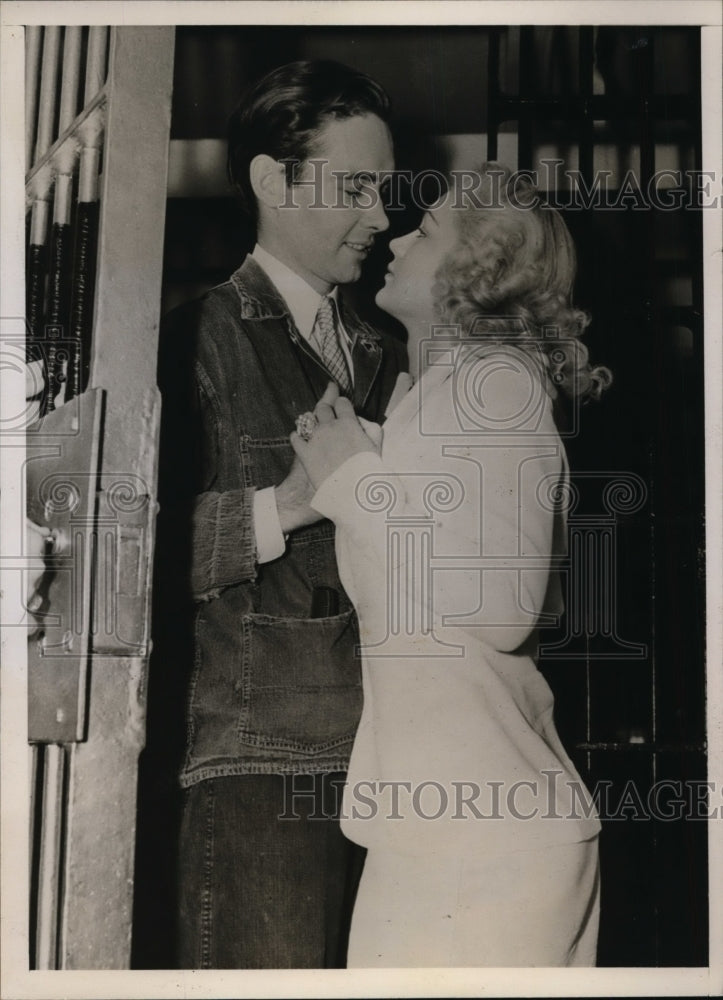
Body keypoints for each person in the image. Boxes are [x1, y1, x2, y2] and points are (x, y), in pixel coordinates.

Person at [292, 164, 612, 967]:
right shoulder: (436, 395)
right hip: (447, 827)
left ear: (481, 267)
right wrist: (359, 460)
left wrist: (353, 480)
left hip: (484, 839)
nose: (396, 239)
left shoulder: (493, 382)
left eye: (426, 230)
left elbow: (500, 604)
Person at [151, 60, 407, 969]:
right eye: (357, 187)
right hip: (258, 770)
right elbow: (132, 559)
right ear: (272, 180)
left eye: (384, 189)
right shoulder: (194, 342)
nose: (381, 217)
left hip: (393, 759)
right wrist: (295, 501)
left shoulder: (389, 350)